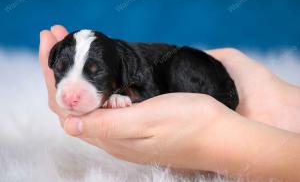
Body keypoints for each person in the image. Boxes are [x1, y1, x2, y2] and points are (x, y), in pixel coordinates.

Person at [39, 25, 300, 181]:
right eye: (62, 69)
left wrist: (216, 136)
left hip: (201, 73)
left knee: (182, 63)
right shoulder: (118, 65)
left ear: (120, 68)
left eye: (94, 72)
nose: (70, 93)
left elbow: (150, 91)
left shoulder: (132, 68)